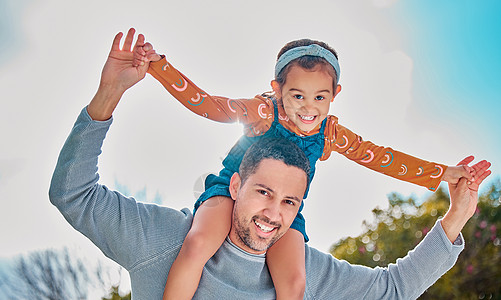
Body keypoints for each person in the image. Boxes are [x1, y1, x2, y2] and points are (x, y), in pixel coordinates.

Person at [49, 28, 492, 300]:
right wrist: (158, 68)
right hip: (220, 194)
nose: (307, 109)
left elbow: (386, 161)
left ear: (335, 95)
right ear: (278, 88)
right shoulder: (260, 115)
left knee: (293, 286)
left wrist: (445, 180)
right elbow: (208, 104)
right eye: (297, 95)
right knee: (199, 245)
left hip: (287, 228)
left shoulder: (331, 136)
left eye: (319, 97)